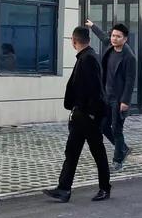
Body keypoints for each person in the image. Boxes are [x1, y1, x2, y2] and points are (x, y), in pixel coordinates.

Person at [43, 26, 111, 202]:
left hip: (88, 116)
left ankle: (105, 188)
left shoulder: (88, 59)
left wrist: (91, 114)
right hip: (81, 114)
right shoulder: (86, 57)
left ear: (73, 41)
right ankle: (63, 189)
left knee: (97, 151)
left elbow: (95, 89)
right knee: (72, 152)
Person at [86, 19, 136, 172]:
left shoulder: (129, 57)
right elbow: (103, 36)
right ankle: (123, 149)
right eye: (113, 35)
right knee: (103, 126)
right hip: (106, 97)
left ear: (125, 39)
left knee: (117, 129)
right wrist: (92, 26)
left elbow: (130, 81)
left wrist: (125, 101)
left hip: (119, 99)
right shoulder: (110, 46)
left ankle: (118, 161)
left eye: (118, 36)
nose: (114, 38)